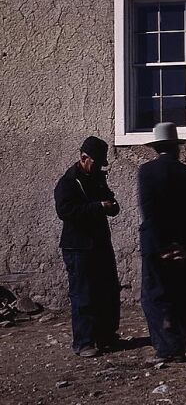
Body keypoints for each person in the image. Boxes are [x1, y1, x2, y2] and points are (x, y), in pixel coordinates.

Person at [138, 122, 186, 363]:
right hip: (182, 246)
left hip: (157, 246)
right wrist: (185, 245)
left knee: (155, 296)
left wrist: (161, 246)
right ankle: (185, 340)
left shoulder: (146, 172)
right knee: (181, 293)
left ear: (156, 148)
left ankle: (168, 348)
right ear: (177, 148)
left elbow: (150, 213)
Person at [54, 136, 120, 358]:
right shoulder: (68, 182)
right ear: (84, 158)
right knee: (83, 294)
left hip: (99, 243)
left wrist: (111, 205)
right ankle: (83, 342)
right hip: (78, 246)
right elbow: (66, 212)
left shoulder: (96, 179)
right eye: (96, 162)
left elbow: (109, 201)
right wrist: (98, 207)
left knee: (107, 291)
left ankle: (105, 336)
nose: (99, 166)